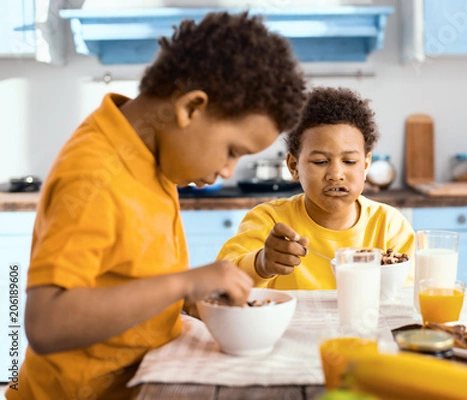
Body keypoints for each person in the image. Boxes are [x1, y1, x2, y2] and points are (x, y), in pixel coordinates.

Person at [7, 12, 306, 400]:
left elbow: (128, 277)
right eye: (232, 151)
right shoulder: (95, 174)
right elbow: (47, 324)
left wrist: (193, 297)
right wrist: (185, 282)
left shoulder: (150, 156)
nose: (227, 170)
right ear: (190, 109)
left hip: (145, 378)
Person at [217, 87, 415, 290]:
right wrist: (261, 264)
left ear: (365, 165)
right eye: (320, 161)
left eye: (349, 161)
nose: (336, 174)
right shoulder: (269, 220)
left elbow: (408, 301)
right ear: (294, 166)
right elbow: (218, 285)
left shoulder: (389, 226)